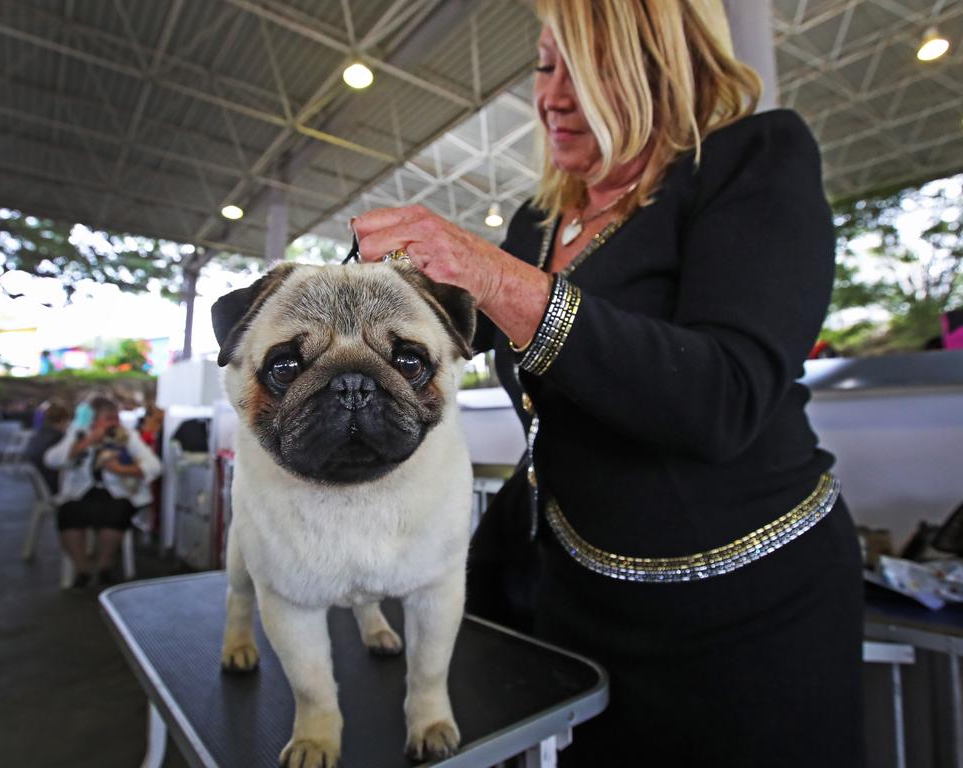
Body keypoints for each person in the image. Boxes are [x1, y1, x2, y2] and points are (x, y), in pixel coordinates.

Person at [351, 2, 863, 765]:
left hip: (743, 612)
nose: (553, 96)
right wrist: (373, 294)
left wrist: (489, 272)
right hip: (572, 598)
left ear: (664, 67)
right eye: (545, 65)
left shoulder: (753, 160)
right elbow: (459, 331)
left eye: (584, 72)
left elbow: (724, 395)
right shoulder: (537, 222)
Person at [45, 395, 161, 588]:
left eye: (116, 418)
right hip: (81, 493)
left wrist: (121, 470)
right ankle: (81, 569)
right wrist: (88, 441)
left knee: (117, 513)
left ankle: (104, 566)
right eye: (109, 418)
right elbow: (52, 459)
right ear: (94, 420)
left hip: (117, 494)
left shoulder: (126, 436)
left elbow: (154, 467)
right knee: (68, 513)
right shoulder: (79, 434)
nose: (114, 423)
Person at [23, 401, 71, 495]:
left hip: (39, 487)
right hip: (53, 486)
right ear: (63, 420)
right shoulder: (59, 438)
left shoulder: (36, 436)